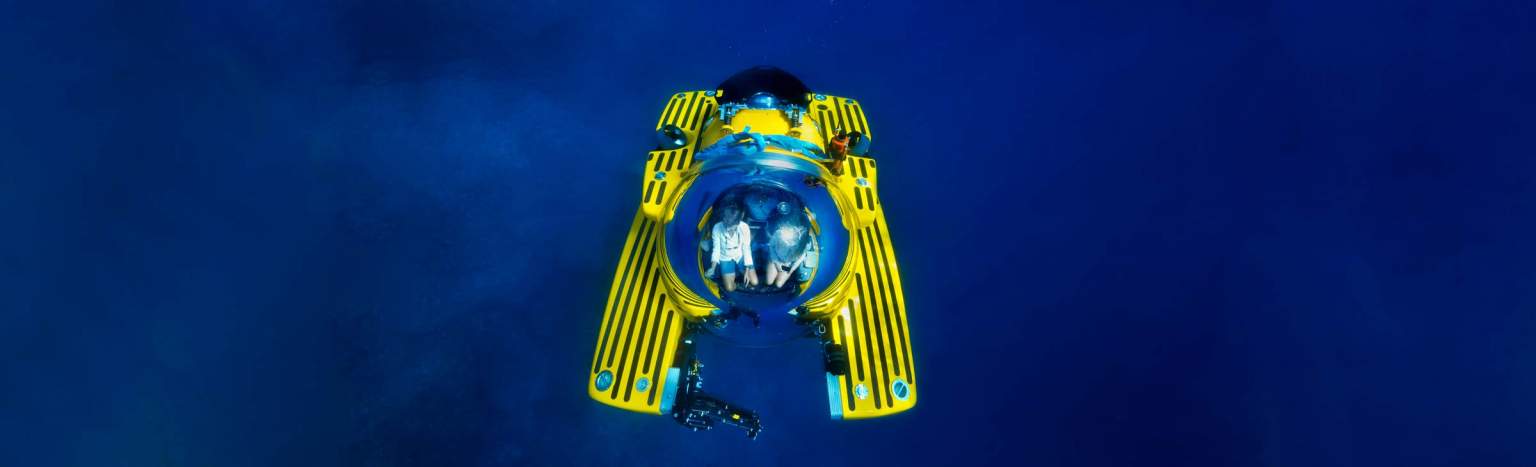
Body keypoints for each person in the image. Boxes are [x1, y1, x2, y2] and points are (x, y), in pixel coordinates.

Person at [705, 205, 757, 292]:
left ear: (738, 223)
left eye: (731, 226)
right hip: (725, 257)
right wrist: (712, 268)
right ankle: (736, 283)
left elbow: (746, 249)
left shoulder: (744, 227)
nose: (728, 229)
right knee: (729, 288)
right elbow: (716, 249)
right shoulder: (717, 227)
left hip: (740, 256)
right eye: (726, 224)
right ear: (724, 218)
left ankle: (738, 272)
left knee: (754, 282)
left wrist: (747, 270)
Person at [765, 208, 814, 289]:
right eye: (797, 227)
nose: (798, 231)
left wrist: (791, 270)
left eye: (802, 230)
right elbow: (771, 246)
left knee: (778, 284)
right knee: (769, 282)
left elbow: (801, 258)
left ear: (805, 230)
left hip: (787, 264)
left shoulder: (805, 242)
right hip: (775, 259)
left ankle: (785, 278)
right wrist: (776, 262)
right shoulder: (781, 232)